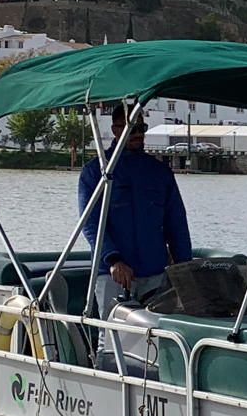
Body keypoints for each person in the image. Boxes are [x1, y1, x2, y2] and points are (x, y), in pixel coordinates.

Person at [80, 103, 191, 320]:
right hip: (112, 275)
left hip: (155, 274)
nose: (137, 134)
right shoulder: (96, 172)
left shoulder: (160, 173)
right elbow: (90, 224)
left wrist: (184, 269)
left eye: (141, 128)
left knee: (156, 337)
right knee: (111, 339)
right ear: (115, 129)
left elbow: (176, 224)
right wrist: (112, 260)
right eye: (130, 128)